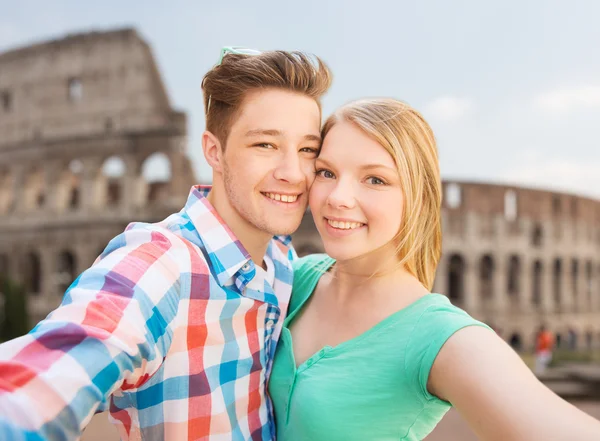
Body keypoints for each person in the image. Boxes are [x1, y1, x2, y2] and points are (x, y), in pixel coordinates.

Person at [0, 47, 331, 441]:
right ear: (214, 151)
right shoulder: (162, 265)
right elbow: (49, 374)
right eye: (265, 145)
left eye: (307, 149)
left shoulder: (282, 261)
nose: (294, 173)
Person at [268, 98, 600, 440]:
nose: (338, 197)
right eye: (326, 172)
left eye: (375, 179)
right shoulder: (292, 277)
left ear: (419, 198)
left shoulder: (439, 337)